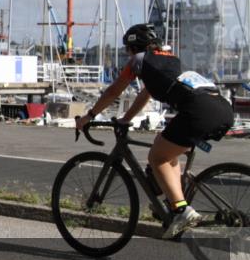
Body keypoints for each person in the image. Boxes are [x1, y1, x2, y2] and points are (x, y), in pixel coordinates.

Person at [76, 23, 234, 238]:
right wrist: (125, 119)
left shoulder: (138, 61)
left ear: (134, 48)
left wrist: (89, 116)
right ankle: (175, 204)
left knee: (157, 157)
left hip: (199, 111)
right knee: (168, 150)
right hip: (222, 108)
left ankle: (182, 210)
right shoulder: (167, 60)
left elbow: (114, 91)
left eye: (127, 49)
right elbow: (146, 94)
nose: (127, 54)